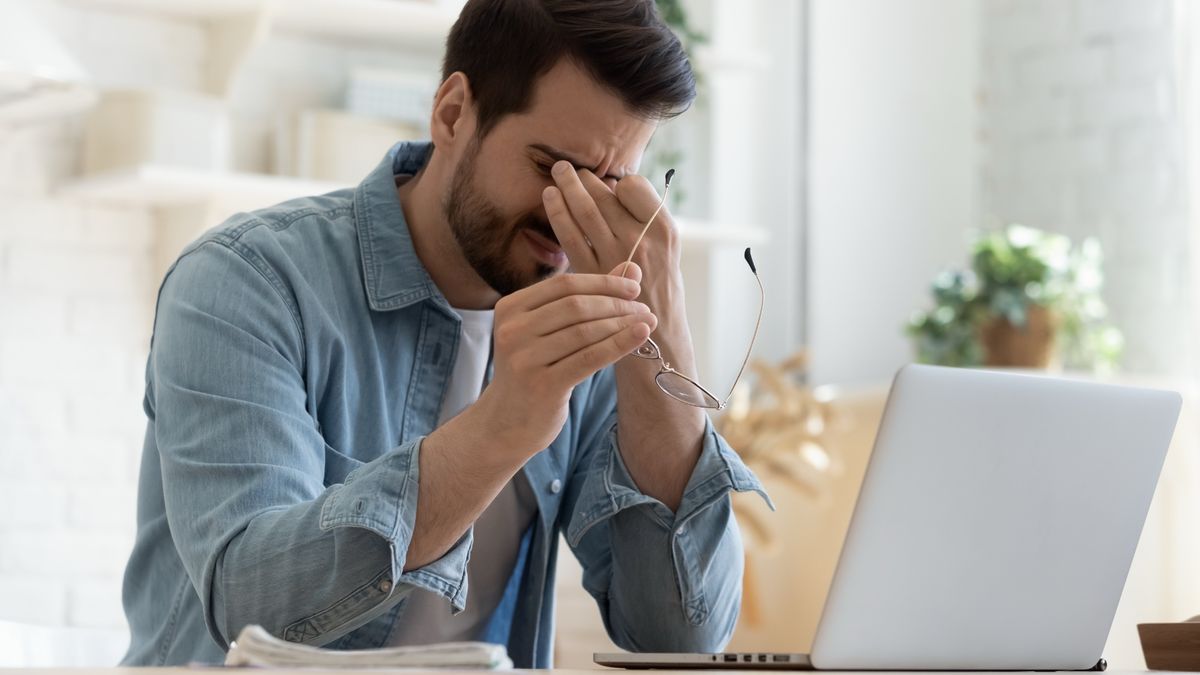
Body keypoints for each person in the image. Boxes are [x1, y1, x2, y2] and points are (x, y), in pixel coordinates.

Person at [120, 0, 767, 666]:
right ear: (454, 112)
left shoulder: (593, 323)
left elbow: (681, 637)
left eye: (610, 185)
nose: (570, 216)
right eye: (552, 169)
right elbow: (250, 611)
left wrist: (665, 344)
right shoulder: (246, 280)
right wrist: (504, 424)